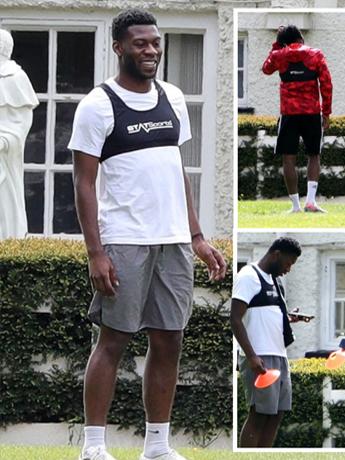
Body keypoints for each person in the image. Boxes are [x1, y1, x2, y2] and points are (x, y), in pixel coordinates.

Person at [69, 9, 227, 460]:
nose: (151, 50)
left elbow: (178, 169)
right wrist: (95, 252)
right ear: (118, 47)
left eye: (155, 43)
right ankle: (94, 447)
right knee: (114, 339)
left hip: (173, 240)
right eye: (140, 43)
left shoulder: (173, 98)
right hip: (125, 240)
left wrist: (196, 235)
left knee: (169, 338)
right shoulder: (98, 105)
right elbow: (82, 182)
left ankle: (157, 446)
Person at [231, 237, 305, 447]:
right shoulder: (248, 276)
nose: (288, 269)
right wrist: (252, 356)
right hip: (259, 356)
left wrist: (289, 318)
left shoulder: (274, 280)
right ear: (276, 255)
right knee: (259, 414)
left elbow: (263, 312)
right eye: (288, 263)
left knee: (277, 414)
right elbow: (235, 318)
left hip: (280, 356)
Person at [262, 25, 332, 213]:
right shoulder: (316, 54)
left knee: (288, 158)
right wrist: (326, 112)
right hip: (311, 113)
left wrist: (276, 46)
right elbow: (326, 84)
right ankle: (311, 201)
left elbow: (266, 69)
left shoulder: (279, 55)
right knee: (314, 155)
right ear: (301, 38)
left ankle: (295, 206)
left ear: (283, 42)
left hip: (289, 114)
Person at [0, 28, 38, 239]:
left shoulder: (15, 77)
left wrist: (5, 141)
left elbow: (21, 122)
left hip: (4, 155)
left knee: (5, 205)